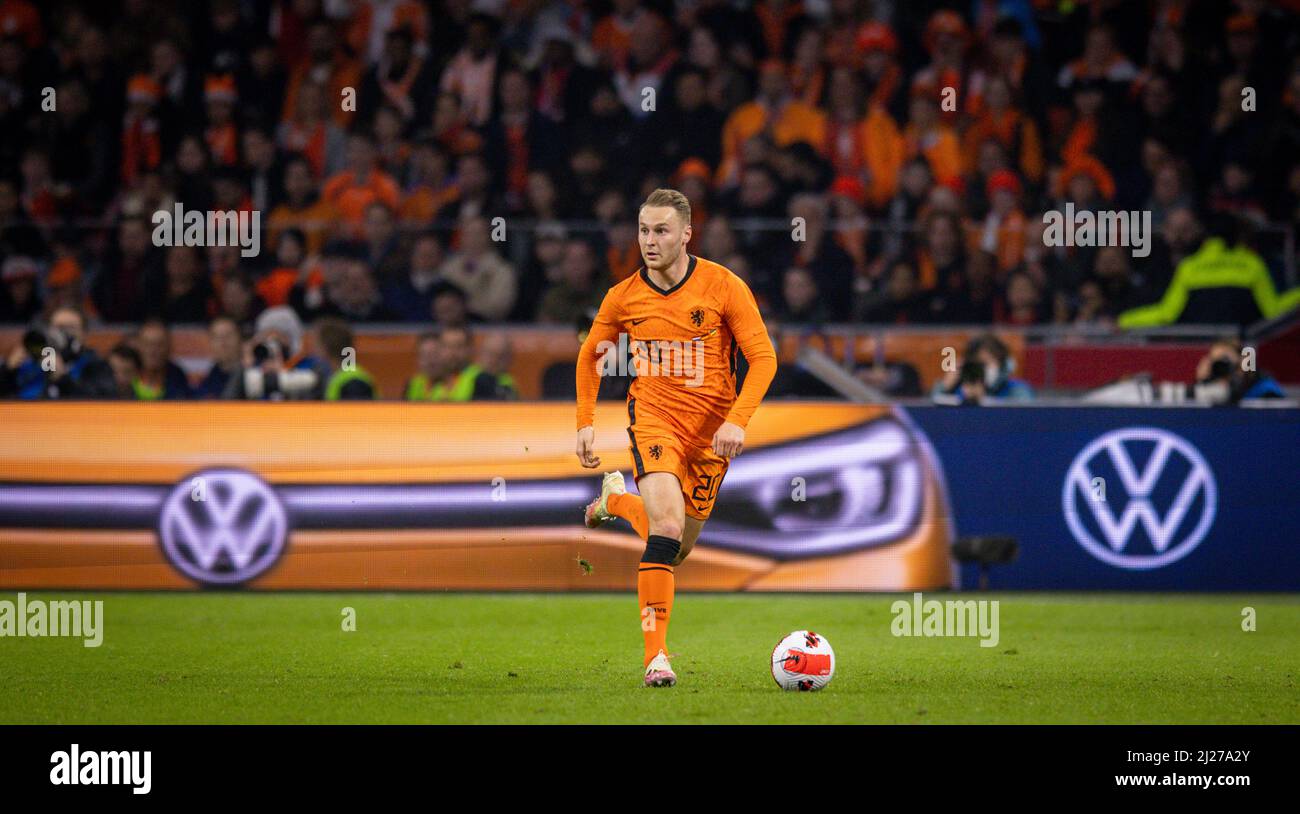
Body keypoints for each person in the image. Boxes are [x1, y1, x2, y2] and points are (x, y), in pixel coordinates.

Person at [574, 188, 777, 687]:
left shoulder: (723, 286)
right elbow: (589, 357)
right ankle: (656, 658)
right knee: (665, 529)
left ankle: (617, 501)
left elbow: (764, 357)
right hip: (656, 420)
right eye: (643, 230)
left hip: (711, 435)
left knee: (676, 548)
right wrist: (584, 422)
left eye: (661, 230)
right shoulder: (623, 296)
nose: (650, 240)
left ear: (687, 233)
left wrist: (738, 420)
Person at [316, 317, 377, 400]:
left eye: (317, 344)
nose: (314, 349)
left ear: (325, 348)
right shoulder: (337, 376)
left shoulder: (353, 383)